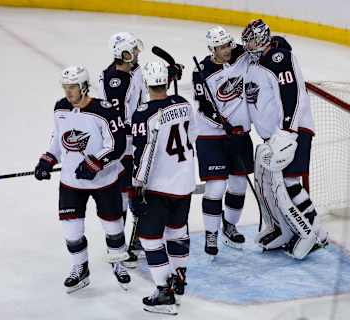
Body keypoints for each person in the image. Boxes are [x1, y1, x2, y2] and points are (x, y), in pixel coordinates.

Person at [34, 65, 131, 293]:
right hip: (71, 182)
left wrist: (94, 164)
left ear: (84, 87)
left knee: (113, 226)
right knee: (71, 231)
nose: (68, 92)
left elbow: (117, 145)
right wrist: (47, 160)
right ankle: (80, 268)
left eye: (73, 87)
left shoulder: (103, 111)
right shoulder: (60, 108)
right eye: (65, 87)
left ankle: (118, 263)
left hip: (104, 181)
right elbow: (58, 139)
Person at [241, 19, 328, 259]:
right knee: (272, 184)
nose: (246, 44)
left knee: (289, 182)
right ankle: (285, 230)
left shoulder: (279, 58)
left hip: (294, 132)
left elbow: (293, 94)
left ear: (261, 39)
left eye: (250, 39)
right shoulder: (256, 63)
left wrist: (289, 131)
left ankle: (316, 232)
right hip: (275, 136)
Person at [131, 61, 195, 315]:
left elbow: (143, 154)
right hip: (185, 182)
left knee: (149, 238)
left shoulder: (143, 114)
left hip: (158, 186)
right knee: (177, 231)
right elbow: (192, 136)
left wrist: (137, 187)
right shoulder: (183, 103)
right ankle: (179, 276)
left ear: (146, 83)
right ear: (167, 82)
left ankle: (164, 292)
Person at [192, 26, 254, 257]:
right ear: (212, 49)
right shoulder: (202, 70)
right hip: (211, 136)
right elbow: (204, 106)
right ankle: (211, 233)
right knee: (216, 187)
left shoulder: (241, 55)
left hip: (240, 134)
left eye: (228, 44)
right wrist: (222, 122)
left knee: (238, 185)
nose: (226, 50)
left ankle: (229, 224)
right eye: (221, 47)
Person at [99, 32, 147, 267]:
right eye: (133, 50)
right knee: (124, 195)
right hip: (124, 145)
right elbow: (122, 117)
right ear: (124, 54)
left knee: (135, 191)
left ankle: (135, 240)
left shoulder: (130, 71)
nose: (138, 53)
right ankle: (119, 246)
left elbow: (142, 94)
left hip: (132, 141)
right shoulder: (115, 80)